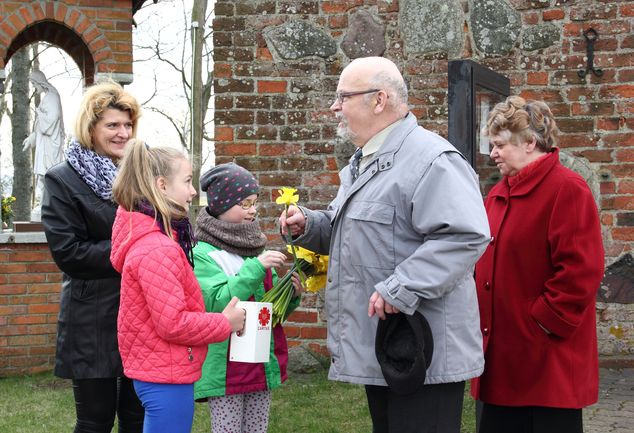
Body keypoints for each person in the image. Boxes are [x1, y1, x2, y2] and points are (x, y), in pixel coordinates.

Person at [279, 56, 491, 433]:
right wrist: (309, 224)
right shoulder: (368, 160)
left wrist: (402, 286)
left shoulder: (431, 159)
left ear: (379, 100)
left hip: (425, 353)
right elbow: (353, 231)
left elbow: (465, 235)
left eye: (343, 96)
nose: (334, 107)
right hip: (390, 348)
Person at [471, 96, 604, 433]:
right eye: (491, 145)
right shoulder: (499, 194)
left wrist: (540, 322)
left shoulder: (567, 190)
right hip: (501, 355)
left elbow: (580, 273)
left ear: (530, 142)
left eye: (500, 145)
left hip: (546, 360)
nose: (493, 153)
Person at [110, 140, 246, 433]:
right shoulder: (158, 249)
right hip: (165, 374)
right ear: (161, 185)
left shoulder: (155, 241)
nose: (194, 191)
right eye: (187, 181)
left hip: (161, 370)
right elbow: (173, 323)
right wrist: (224, 322)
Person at [41, 80, 144, 433]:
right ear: (91, 128)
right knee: (95, 422)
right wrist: (134, 250)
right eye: (112, 125)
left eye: (128, 124)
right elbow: (69, 253)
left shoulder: (139, 177)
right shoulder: (63, 180)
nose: (122, 133)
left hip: (141, 312)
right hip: (91, 319)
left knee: (138, 418)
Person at [192, 163, 303, 433]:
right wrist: (255, 268)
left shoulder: (254, 249)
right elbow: (216, 303)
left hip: (257, 363)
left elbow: (270, 310)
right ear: (219, 206)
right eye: (243, 204)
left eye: (253, 203)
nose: (252, 210)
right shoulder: (203, 254)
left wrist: (291, 296)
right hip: (226, 369)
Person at [23, 70, 65, 221]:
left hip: (50, 145)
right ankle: (44, 204)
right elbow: (41, 127)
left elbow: (51, 121)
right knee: (43, 176)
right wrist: (32, 138)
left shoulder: (52, 97)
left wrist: (39, 113)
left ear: (40, 82)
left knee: (48, 175)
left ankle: (50, 205)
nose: (34, 87)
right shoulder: (48, 97)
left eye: (34, 84)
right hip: (45, 143)